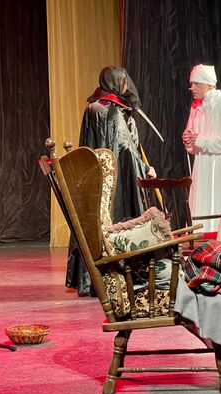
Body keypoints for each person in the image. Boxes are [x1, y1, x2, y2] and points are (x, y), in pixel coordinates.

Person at [66, 66, 156, 296]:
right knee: (117, 218)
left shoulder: (93, 107)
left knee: (97, 221)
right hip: (116, 179)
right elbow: (125, 149)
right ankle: (120, 274)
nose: (126, 85)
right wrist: (146, 169)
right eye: (123, 81)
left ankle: (93, 278)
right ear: (115, 82)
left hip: (96, 178)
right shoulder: (112, 111)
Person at [182, 64, 221, 233]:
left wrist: (203, 141)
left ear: (209, 84)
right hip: (202, 165)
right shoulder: (196, 108)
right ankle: (199, 238)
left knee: (219, 202)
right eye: (191, 83)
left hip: (220, 165)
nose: (192, 88)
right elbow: (194, 141)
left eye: (197, 83)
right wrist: (189, 141)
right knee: (201, 202)